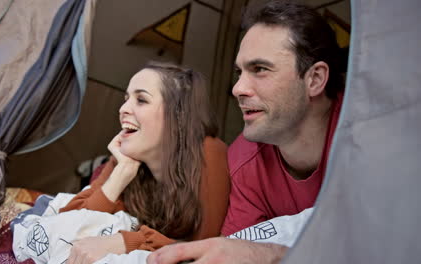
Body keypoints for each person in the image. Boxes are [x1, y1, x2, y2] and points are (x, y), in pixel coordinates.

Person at [147, 0, 346, 263]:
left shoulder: (370, 138)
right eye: (239, 72)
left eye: (260, 69)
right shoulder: (243, 158)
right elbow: (239, 252)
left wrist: (275, 256)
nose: (237, 89)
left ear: (315, 79)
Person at [60, 62, 230, 263]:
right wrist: (122, 171)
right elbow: (66, 226)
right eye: (126, 99)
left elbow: (201, 247)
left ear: (177, 115)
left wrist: (127, 241)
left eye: (141, 100)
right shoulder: (124, 159)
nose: (123, 109)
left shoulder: (208, 150)